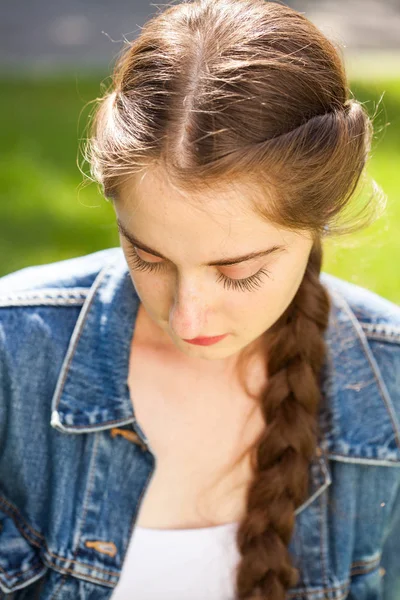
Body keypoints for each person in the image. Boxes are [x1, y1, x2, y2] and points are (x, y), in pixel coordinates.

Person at [0, 0, 399, 598]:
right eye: (148, 257)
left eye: (238, 272)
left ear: (318, 220)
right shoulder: (13, 358)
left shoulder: (389, 382)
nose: (187, 317)